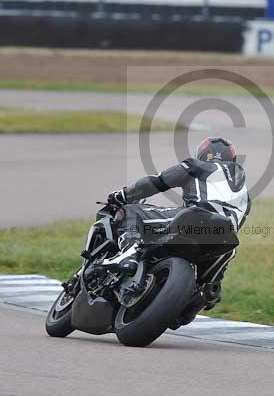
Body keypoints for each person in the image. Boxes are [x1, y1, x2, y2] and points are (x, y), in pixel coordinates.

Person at [106, 137, 250, 323]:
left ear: (204, 154)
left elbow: (157, 182)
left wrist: (123, 195)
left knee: (131, 211)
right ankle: (204, 293)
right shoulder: (245, 195)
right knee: (220, 266)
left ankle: (128, 254)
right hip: (224, 239)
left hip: (196, 216)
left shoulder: (196, 165)